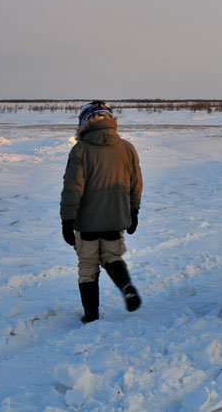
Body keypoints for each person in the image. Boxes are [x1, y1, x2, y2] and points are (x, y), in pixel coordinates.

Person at [60, 100, 143, 323]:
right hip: (116, 219)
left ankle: (91, 315)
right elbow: (136, 183)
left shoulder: (80, 150)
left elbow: (72, 188)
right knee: (112, 257)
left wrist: (67, 220)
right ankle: (126, 286)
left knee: (88, 266)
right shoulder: (127, 148)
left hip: (86, 223)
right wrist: (134, 211)